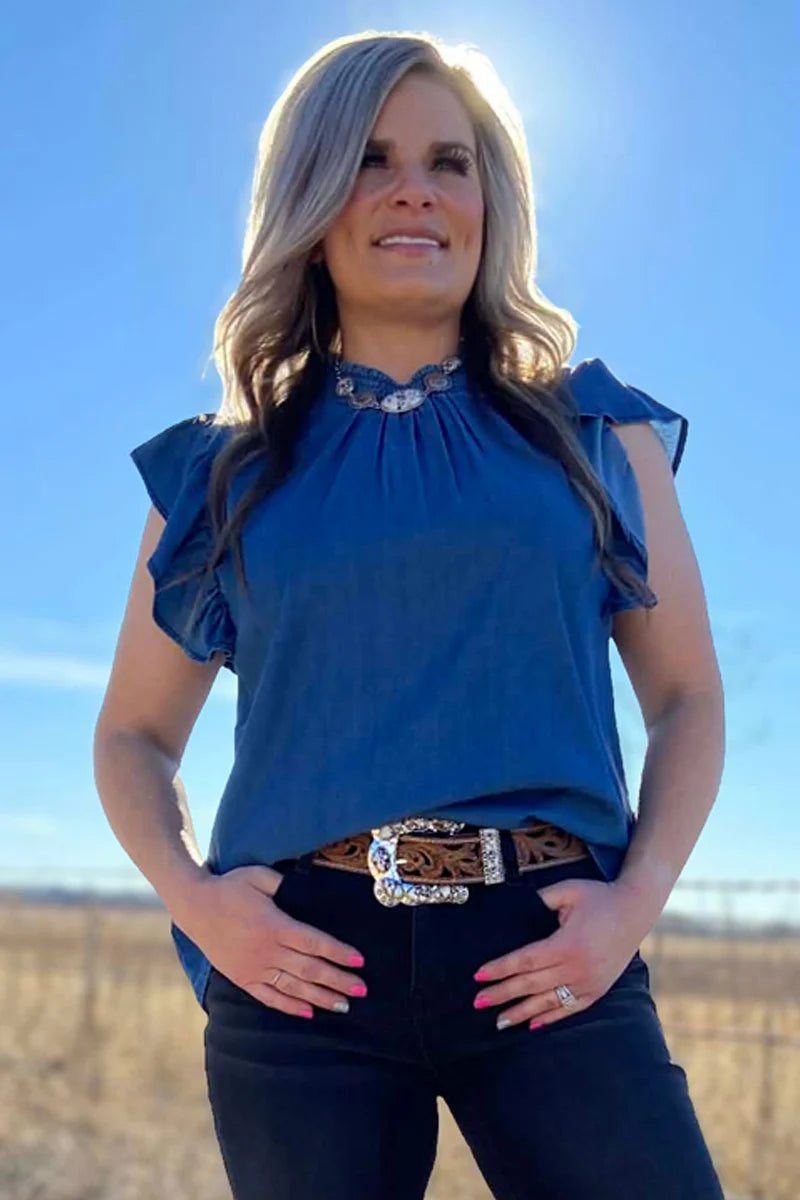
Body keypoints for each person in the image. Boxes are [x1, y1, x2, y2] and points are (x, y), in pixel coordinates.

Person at [94, 29, 727, 1200]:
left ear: (489, 200)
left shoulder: (593, 436)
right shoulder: (220, 473)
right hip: (304, 971)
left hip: (549, 949)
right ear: (308, 203)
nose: (413, 191)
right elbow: (132, 737)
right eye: (369, 159)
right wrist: (201, 906)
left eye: (449, 162)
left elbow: (686, 698)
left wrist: (630, 907)